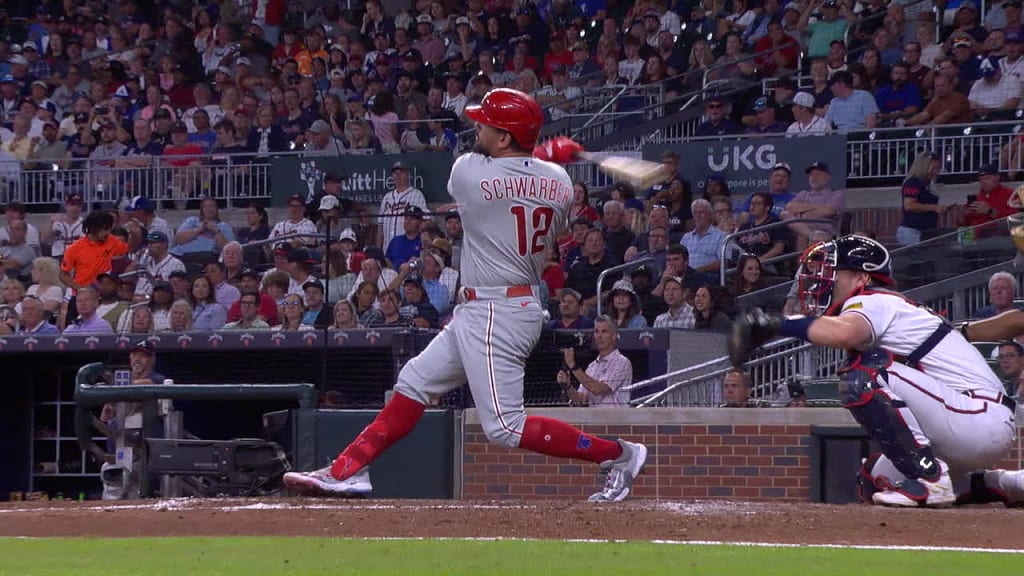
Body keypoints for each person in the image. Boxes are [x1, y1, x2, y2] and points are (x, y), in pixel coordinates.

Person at [284, 90, 647, 502]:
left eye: (486, 124)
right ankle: (348, 468)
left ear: (505, 138)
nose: (478, 128)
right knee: (414, 381)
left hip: (497, 311)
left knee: (505, 427)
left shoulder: (469, 171)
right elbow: (542, 214)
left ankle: (619, 455)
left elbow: (501, 177)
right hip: (496, 305)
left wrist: (542, 155)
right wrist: (543, 159)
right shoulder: (561, 183)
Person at [730, 235, 1024, 507]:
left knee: (863, 372)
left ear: (861, 276)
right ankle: (1006, 483)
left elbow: (848, 334)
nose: (825, 280)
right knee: (875, 477)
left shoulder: (872, 299)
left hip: (976, 416)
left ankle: (930, 479)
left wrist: (777, 323)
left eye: (835, 272)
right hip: (967, 423)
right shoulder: (892, 307)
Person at [556, 316, 634, 407]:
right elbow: (581, 400)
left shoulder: (622, 362)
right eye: (596, 331)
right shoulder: (591, 366)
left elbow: (598, 389)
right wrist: (567, 386)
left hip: (615, 419)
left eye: (604, 331)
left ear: (613, 336)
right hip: (593, 419)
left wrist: (573, 366)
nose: (599, 336)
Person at [896, 152, 946, 246]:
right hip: (913, 231)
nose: (936, 172)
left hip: (925, 231)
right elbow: (909, 205)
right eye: (933, 168)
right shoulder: (912, 183)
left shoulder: (926, 185)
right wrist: (934, 207)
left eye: (937, 169)